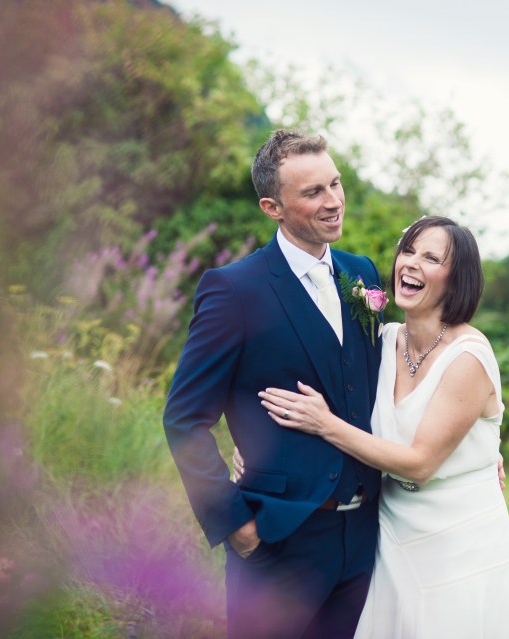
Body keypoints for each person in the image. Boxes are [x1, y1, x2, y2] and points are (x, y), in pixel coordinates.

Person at [256, 215, 509, 637]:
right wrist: (256, 450)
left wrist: (326, 425)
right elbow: (322, 394)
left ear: (457, 280)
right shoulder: (380, 342)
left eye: (431, 257)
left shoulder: (469, 356)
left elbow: (420, 463)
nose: (411, 263)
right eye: (409, 251)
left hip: (460, 542)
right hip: (391, 534)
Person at [163, 129, 384, 638]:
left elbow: (387, 378)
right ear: (272, 207)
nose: (334, 202)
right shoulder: (233, 290)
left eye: (335, 184)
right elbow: (184, 418)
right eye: (313, 193)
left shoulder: (362, 274)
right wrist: (234, 524)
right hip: (279, 540)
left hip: (365, 534)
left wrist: (468, 447)